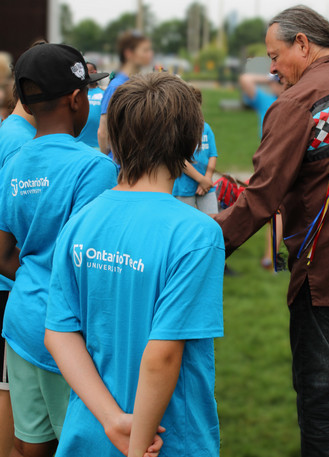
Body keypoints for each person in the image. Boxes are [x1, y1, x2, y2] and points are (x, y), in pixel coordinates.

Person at [214, 6, 329, 457]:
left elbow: (259, 198)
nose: (272, 68)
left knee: (321, 397)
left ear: (303, 44)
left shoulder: (299, 102)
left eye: (275, 56)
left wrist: (202, 244)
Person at [44, 73, 225, 457]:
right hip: (165, 440)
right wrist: (137, 441)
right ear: (191, 143)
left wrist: (112, 420)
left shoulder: (80, 221)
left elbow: (59, 334)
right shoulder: (197, 233)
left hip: (91, 433)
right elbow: (162, 354)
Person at [0, 43, 120, 457]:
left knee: (27, 446)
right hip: (66, 337)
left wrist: (37, 276)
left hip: (19, 325)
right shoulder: (95, 168)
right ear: (76, 99)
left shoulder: (13, 163)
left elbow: (2, 253)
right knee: (79, 446)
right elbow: (91, 266)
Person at [0, 80, 36, 457]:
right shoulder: (21, 141)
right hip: (11, 283)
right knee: (8, 393)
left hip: (11, 281)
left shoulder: (9, 130)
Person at [240, 71, 286, 270]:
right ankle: (271, 255)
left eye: (281, 82)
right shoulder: (264, 100)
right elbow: (245, 79)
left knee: (278, 210)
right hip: (266, 161)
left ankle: (271, 255)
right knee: (270, 208)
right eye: (275, 83)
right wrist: (268, 78)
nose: (277, 86)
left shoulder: (295, 100)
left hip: (285, 160)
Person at [98, 31, 153, 155]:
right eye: (145, 50)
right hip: (120, 166)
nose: (150, 54)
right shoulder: (116, 86)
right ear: (129, 53)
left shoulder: (136, 82)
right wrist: (108, 162)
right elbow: (103, 132)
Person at [173, 87, 218, 215]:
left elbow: (213, 155)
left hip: (206, 187)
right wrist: (201, 179)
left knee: (213, 220)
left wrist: (207, 179)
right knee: (186, 225)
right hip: (184, 188)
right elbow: (180, 160)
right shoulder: (179, 130)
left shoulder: (206, 128)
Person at [77, 62, 104, 149]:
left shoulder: (104, 94)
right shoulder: (79, 94)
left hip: (98, 145)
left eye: (92, 72)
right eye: (87, 72)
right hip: (80, 143)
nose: (90, 75)